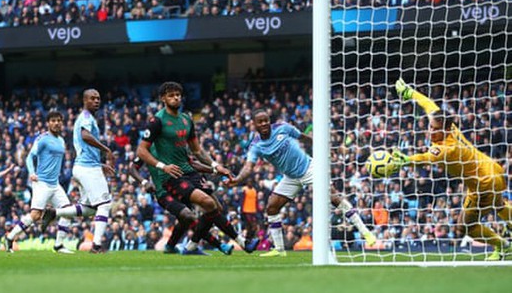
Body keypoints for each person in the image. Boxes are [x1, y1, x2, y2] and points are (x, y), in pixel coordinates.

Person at [227, 109, 376, 257]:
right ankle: (279, 250)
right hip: (291, 177)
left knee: (334, 198)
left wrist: (321, 147)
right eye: (260, 121)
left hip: (309, 168)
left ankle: (366, 233)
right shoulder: (256, 145)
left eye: (266, 120)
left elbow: (303, 137)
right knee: (272, 206)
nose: (265, 123)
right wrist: (238, 179)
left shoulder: (282, 128)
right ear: (254, 124)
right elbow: (248, 167)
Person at [393, 78, 512, 261]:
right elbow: (428, 104)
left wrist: (406, 160)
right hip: (492, 168)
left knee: (465, 226)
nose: (429, 131)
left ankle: (502, 245)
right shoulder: (450, 125)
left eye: (433, 128)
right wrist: (410, 93)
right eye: (429, 126)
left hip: (483, 183)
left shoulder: (446, 150)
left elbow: (424, 158)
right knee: (499, 205)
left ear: (445, 129)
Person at [136, 81, 259, 255]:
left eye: (178, 94)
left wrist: (216, 166)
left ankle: (192, 246)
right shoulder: (157, 120)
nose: (175, 97)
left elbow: (197, 150)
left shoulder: (187, 119)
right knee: (207, 204)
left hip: (190, 171)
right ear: (163, 98)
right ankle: (242, 241)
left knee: (216, 208)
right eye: (171, 95)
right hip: (172, 176)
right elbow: (141, 150)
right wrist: (163, 167)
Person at [43, 89, 115, 253]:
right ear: (85, 101)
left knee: (89, 209)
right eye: (92, 98)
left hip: (84, 166)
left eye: (98, 98)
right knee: (105, 205)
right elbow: (85, 136)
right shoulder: (86, 118)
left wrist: (100, 164)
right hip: (88, 168)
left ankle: (55, 213)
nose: (96, 101)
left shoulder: (86, 118)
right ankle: (96, 246)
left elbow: (84, 145)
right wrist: (106, 150)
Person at [128, 154, 234, 255]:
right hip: (163, 192)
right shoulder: (148, 147)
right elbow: (132, 168)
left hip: (181, 187)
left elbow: (191, 163)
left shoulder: (173, 144)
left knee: (185, 220)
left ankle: (170, 246)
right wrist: (144, 182)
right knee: (188, 216)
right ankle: (220, 245)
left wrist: (214, 170)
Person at [6, 110, 75, 254]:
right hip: (41, 183)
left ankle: (58, 245)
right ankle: (10, 237)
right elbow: (29, 157)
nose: (56, 123)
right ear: (48, 123)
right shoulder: (43, 139)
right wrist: (32, 173)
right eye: (53, 121)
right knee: (35, 215)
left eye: (59, 121)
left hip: (55, 184)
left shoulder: (61, 140)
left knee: (68, 212)